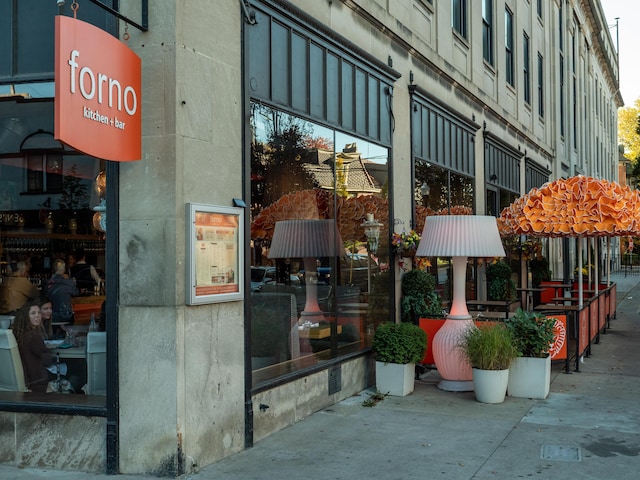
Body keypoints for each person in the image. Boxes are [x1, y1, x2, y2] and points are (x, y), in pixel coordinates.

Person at [10, 300, 53, 393]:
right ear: (25, 317)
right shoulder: (33, 336)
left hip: (27, 380)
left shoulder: (18, 334)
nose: (37, 315)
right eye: (33, 313)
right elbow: (47, 361)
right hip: (38, 382)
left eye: (38, 313)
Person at [47, 259, 79, 328]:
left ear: (53, 270)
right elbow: (76, 293)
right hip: (66, 316)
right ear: (64, 270)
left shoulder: (47, 283)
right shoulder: (69, 282)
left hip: (51, 317)